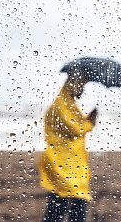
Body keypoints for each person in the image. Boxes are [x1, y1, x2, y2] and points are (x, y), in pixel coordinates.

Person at [39, 70, 97, 222]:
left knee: (63, 205)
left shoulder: (67, 103)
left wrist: (87, 120)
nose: (82, 89)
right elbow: (75, 129)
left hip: (71, 163)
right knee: (71, 204)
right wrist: (90, 122)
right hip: (62, 164)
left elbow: (73, 126)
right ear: (73, 84)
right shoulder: (61, 104)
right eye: (81, 85)